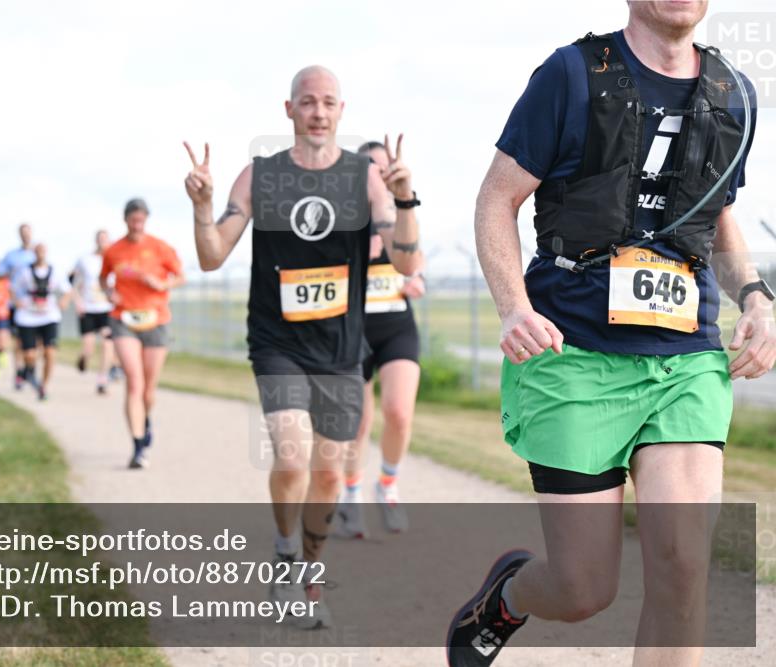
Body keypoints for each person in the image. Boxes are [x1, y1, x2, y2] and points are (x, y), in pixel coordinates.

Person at [447, 3, 773, 666]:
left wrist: (756, 296)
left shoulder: (733, 93)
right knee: (582, 586)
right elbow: (496, 198)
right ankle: (507, 597)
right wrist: (513, 306)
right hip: (572, 354)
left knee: (684, 563)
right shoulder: (570, 75)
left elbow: (719, 218)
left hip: (684, 357)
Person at [183, 65, 421, 629]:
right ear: (288, 110)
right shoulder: (259, 177)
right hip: (276, 342)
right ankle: (285, 550)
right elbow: (212, 254)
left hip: (342, 349)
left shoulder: (363, 179)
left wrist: (406, 199)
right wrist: (202, 205)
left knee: (331, 475)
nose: (318, 111)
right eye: (307, 101)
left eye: (328, 102)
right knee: (291, 457)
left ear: (342, 111)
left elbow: (407, 261)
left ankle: (308, 570)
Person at [336, 140, 426, 537]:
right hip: (353, 331)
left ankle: (387, 484)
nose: (379, 172)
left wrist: (416, 281)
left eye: (385, 166)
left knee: (399, 413)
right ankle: (350, 495)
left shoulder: (401, 211)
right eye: (370, 166)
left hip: (395, 327)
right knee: (356, 423)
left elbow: (415, 264)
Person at [100, 199, 184, 469]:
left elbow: (180, 276)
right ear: (125, 220)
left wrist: (161, 283)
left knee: (148, 389)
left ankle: (145, 421)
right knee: (133, 383)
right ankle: (137, 447)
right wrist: (108, 292)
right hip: (123, 318)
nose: (137, 225)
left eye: (141, 221)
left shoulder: (160, 247)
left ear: (146, 220)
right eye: (132, 221)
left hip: (156, 319)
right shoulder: (114, 250)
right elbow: (104, 278)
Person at [11, 243, 72, 401]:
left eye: (43, 251)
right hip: (28, 317)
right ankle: (27, 370)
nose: (41, 254)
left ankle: (43, 386)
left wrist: (64, 301)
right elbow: (12, 288)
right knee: (30, 355)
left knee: (50, 353)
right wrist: (17, 301)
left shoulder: (55, 271)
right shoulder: (25, 271)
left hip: (49, 316)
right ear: (34, 253)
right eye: (37, 251)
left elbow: (68, 290)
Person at [72, 229, 119, 395]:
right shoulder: (85, 260)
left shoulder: (115, 259)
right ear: (96, 240)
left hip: (106, 308)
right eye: (100, 238)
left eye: (106, 239)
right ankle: (83, 358)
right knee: (89, 347)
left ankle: (102, 379)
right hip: (88, 308)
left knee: (108, 343)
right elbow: (73, 282)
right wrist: (77, 302)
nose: (103, 242)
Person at [0, 223, 37, 389]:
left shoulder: (38, 253)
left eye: (28, 232)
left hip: (37, 306)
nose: (26, 235)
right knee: (19, 341)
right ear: (19, 235)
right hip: (17, 304)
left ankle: (30, 369)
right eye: (23, 233)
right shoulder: (11, 255)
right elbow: (0, 273)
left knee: (37, 343)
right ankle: (19, 372)